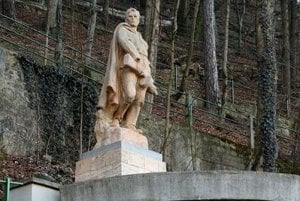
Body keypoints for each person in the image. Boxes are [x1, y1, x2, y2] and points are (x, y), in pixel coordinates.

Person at [95, 8, 157, 137]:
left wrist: (147, 70)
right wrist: (136, 56)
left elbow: (145, 55)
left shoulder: (140, 36)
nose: (133, 18)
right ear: (126, 18)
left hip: (144, 67)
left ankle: (130, 124)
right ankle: (117, 118)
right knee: (130, 94)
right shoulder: (122, 29)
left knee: (140, 99)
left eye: (135, 16)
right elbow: (123, 42)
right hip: (129, 65)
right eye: (130, 16)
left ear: (139, 19)